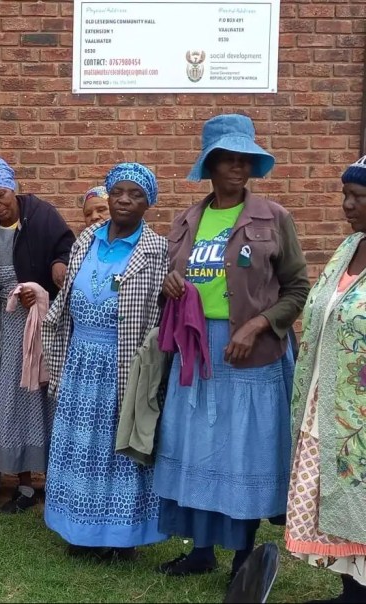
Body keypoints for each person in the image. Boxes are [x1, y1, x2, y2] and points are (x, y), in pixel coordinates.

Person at [155, 114, 310, 583]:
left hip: (252, 355)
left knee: (242, 453)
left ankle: (242, 557)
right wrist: (170, 282)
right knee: (200, 448)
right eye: (228, 159)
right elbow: (172, 281)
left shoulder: (273, 218)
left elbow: (297, 288)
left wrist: (259, 325)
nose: (238, 167)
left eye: (245, 160)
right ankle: (202, 550)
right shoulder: (188, 220)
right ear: (210, 165)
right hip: (197, 352)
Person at [42, 163, 169, 558]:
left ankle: (120, 536)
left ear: (149, 203)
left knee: (120, 447)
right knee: (80, 446)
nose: (126, 200)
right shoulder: (86, 241)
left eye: (136, 194)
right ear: (108, 196)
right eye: (118, 193)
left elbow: (163, 311)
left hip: (124, 362)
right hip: (81, 359)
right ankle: (79, 531)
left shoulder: (157, 250)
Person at [284, 156, 366, 603]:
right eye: (345, 195)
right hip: (326, 397)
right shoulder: (348, 246)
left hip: (359, 410)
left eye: (357, 197)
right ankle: (350, 588)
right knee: (330, 496)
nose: (346, 205)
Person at [0, 157, 75, 513]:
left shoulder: (43, 215)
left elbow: (66, 249)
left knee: (48, 397)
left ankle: (59, 480)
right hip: (8, 323)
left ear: (12, 188)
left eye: (0, 195)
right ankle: (26, 484)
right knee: (16, 399)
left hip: (44, 323)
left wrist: (54, 270)